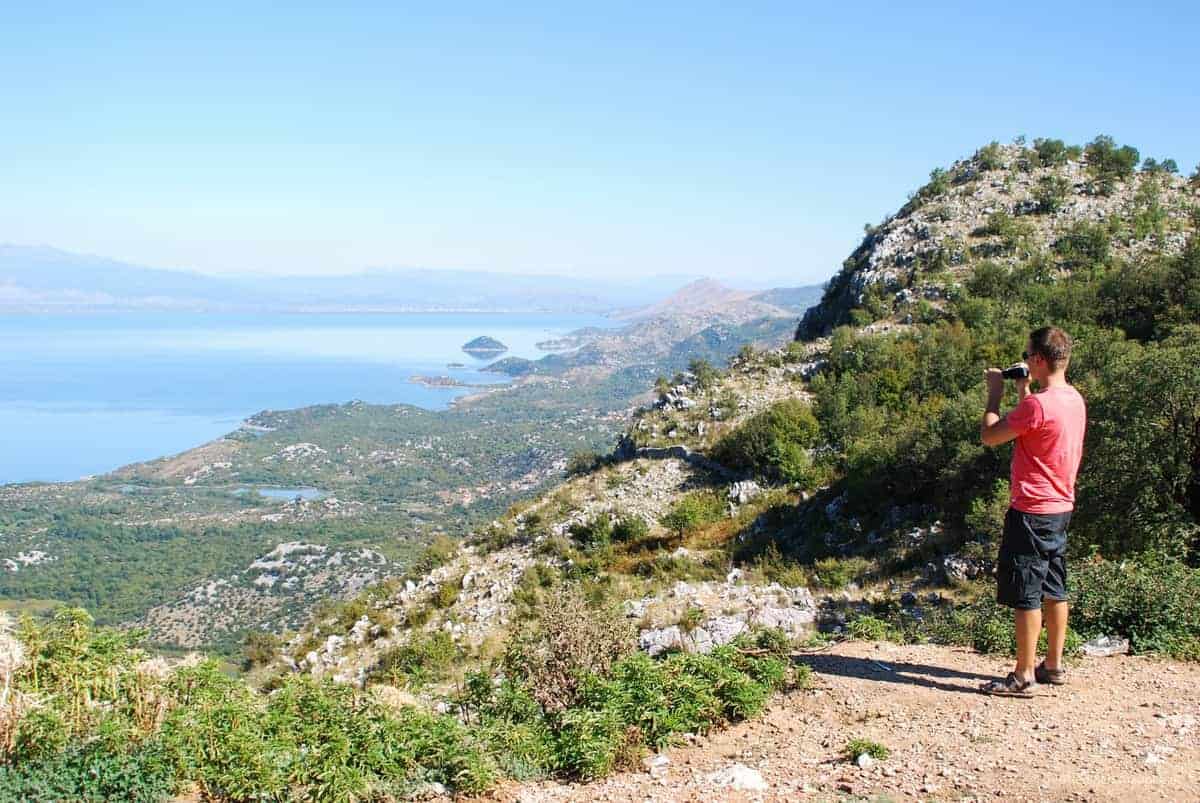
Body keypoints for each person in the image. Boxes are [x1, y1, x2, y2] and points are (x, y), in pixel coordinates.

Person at [978, 326, 1086, 697]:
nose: (1025, 360)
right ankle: (1053, 664)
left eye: (1028, 356)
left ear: (1038, 360)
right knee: (1055, 587)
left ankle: (1023, 675)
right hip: (1060, 507)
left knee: (1026, 591)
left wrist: (995, 393)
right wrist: (1024, 389)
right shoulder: (1073, 399)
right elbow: (1036, 429)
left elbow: (991, 436)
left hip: (1031, 510)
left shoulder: (1037, 405)